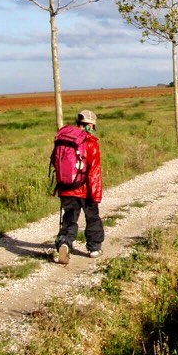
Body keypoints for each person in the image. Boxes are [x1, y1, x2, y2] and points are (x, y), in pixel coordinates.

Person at [53, 109, 104, 264]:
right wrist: (96, 195)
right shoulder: (91, 142)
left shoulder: (64, 138)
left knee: (69, 219)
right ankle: (94, 248)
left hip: (66, 188)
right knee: (92, 218)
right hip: (85, 189)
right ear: (89, 125)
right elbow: (94, 172)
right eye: (92, 126)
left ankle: (64, 243)